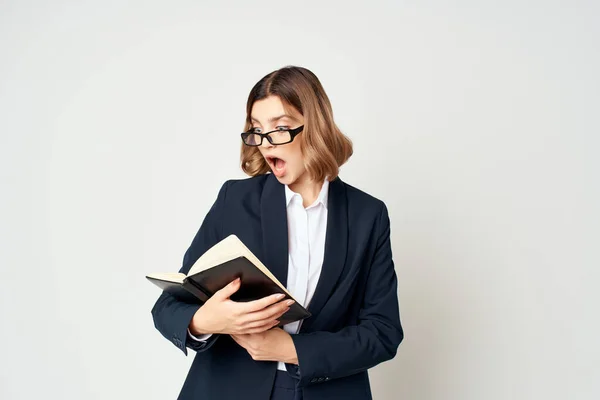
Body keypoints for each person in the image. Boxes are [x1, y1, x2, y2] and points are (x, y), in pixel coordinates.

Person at [151, 65, 403, 400]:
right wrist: (205, 321)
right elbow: (169, 305)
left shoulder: (368, 215)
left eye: (280, 128)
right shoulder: (234, 201)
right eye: (257, 130)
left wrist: (292, 349)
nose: (266, 143)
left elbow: (383, 333)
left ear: (315, 127)